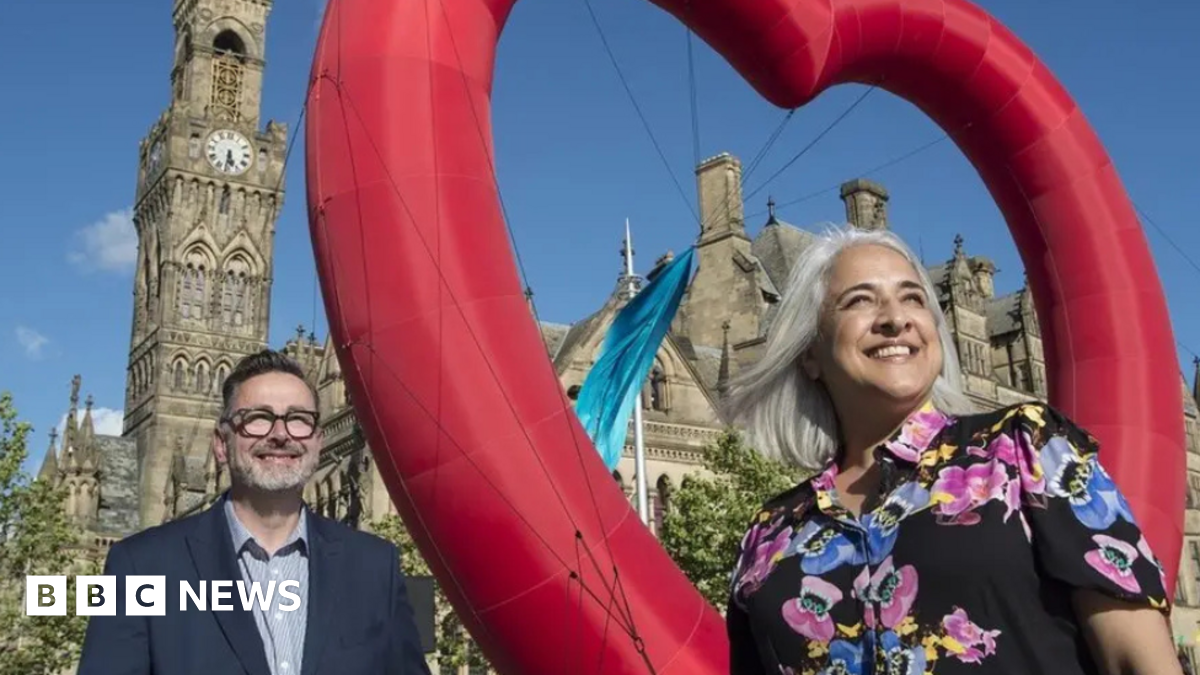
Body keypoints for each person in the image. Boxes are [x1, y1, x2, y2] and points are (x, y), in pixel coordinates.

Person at [721, 226, 1181, 674]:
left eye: (913, 298)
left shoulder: (1024, 449)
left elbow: (1137, 660)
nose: (894, 318)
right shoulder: (771, 531)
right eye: (859, 300)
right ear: (810, 354)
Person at [78, 350, 432, 675]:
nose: (280, 434)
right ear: (221, 444)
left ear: (318, 441)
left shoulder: (377, 565)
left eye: (298, 419)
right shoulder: (141, 566)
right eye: (258, 419)